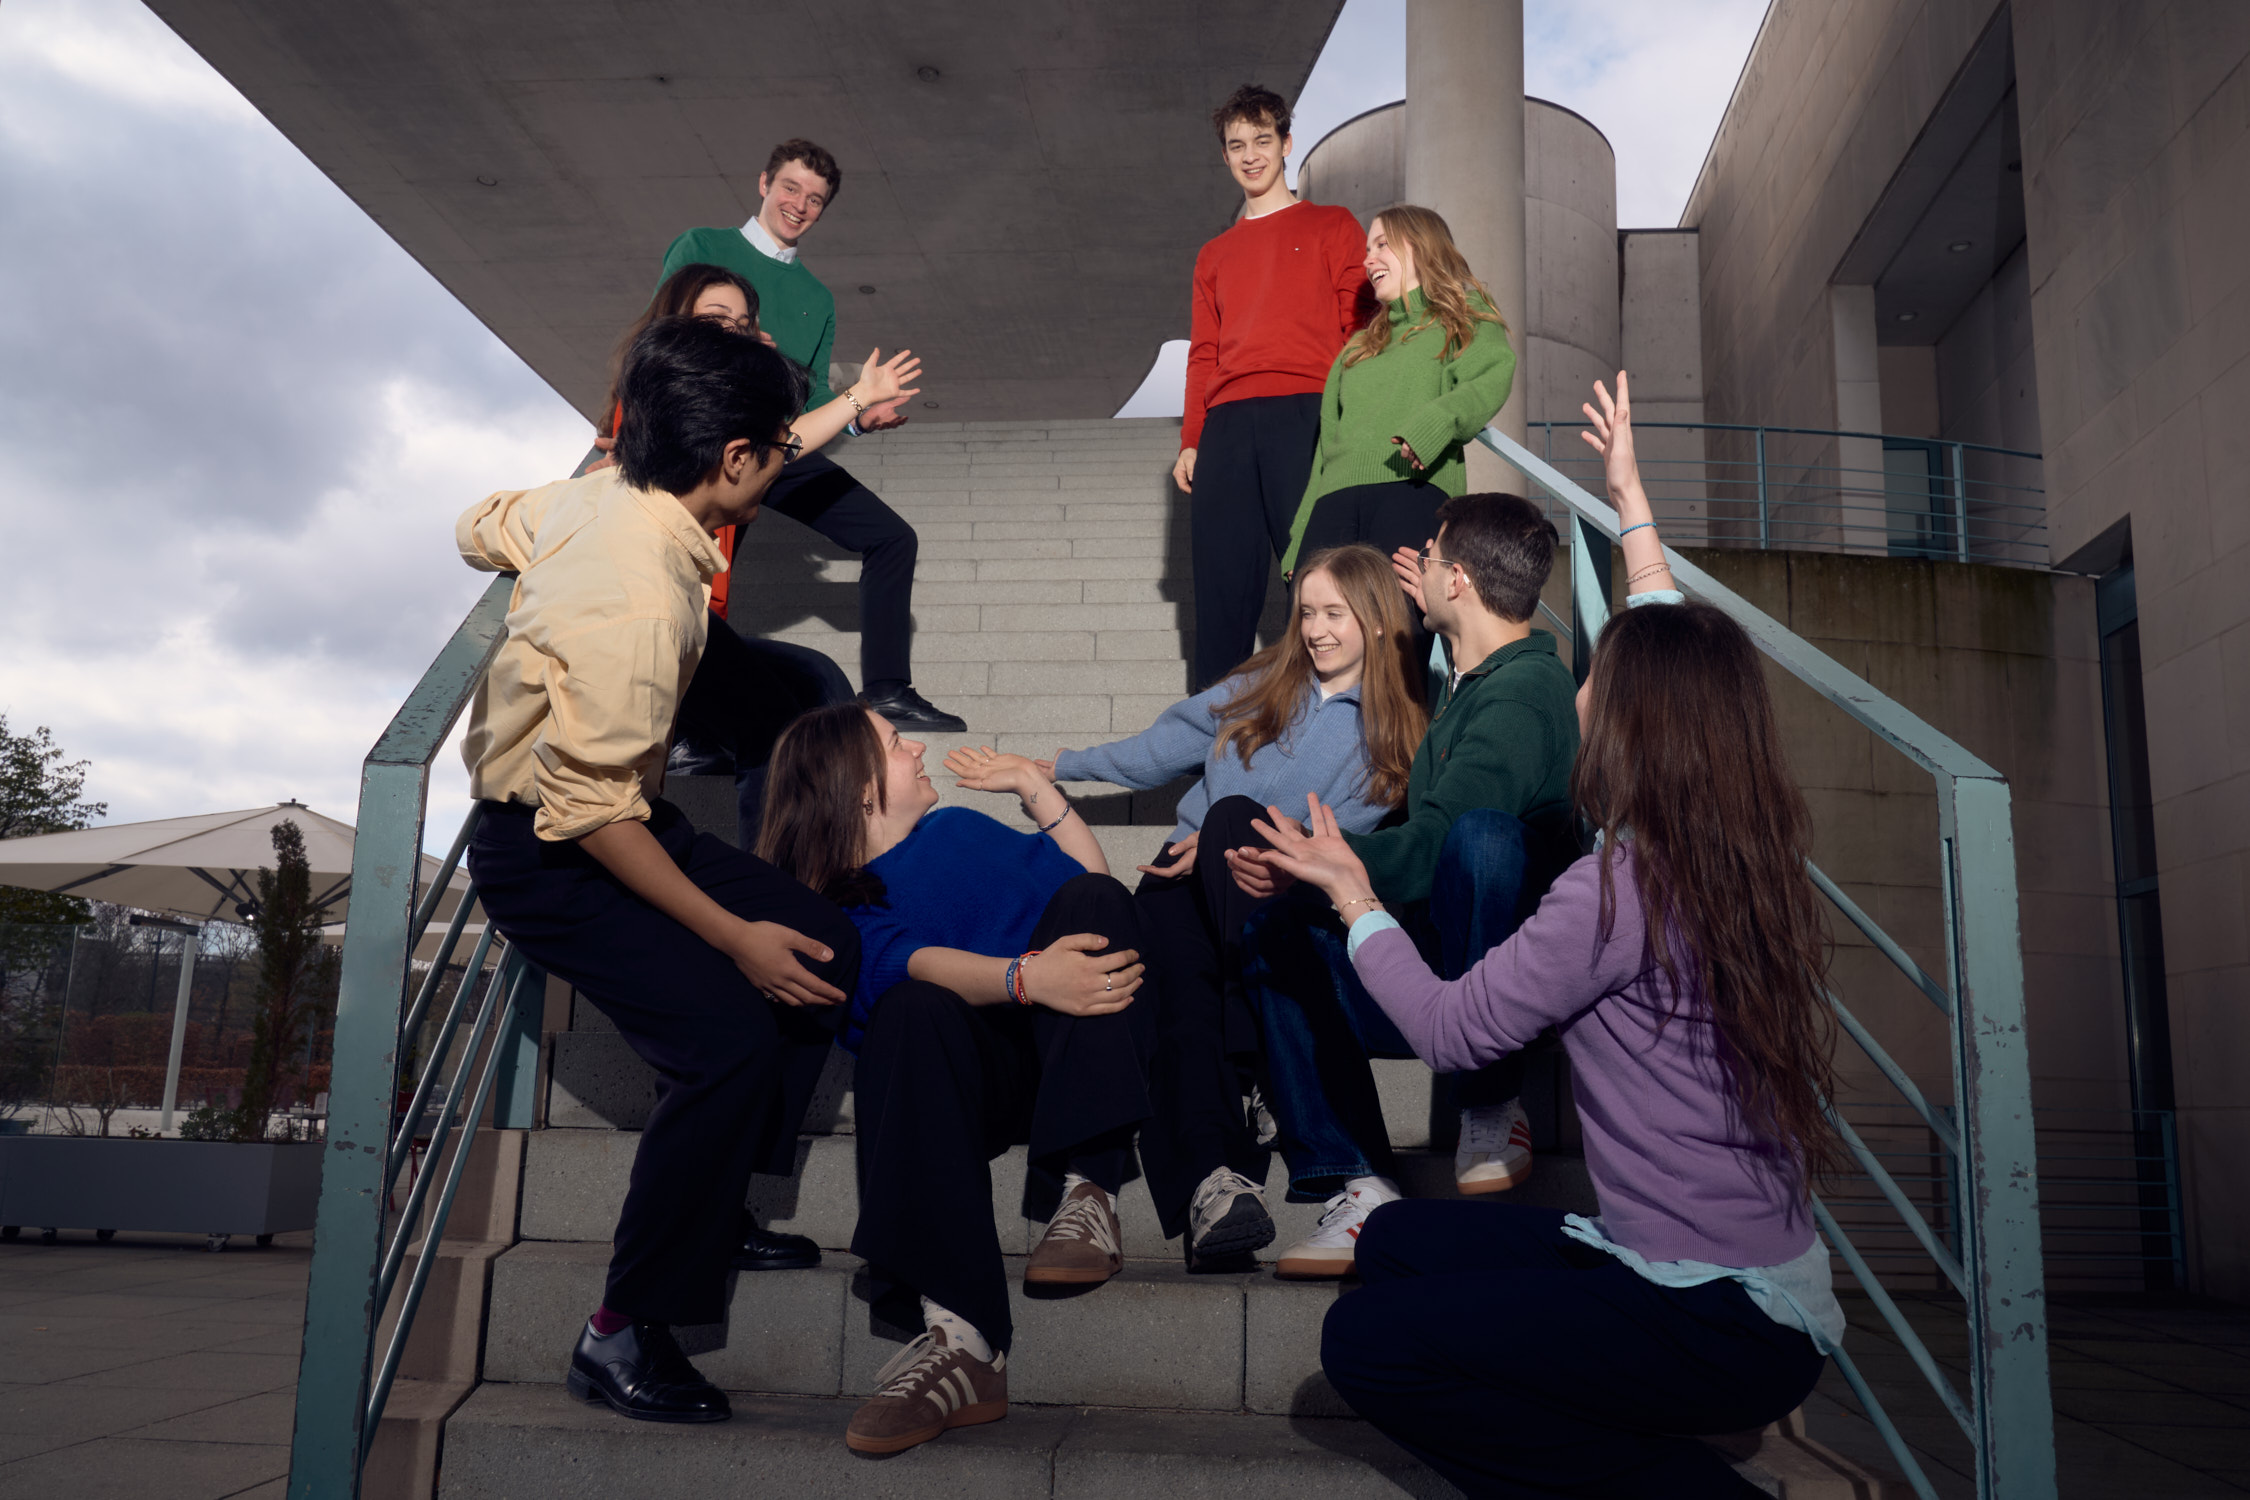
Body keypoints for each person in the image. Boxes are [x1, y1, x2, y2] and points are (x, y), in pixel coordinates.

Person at [1239, 373, 1843, 1497]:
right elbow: (1667, 631)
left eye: (1597, 681)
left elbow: (1452, 1032)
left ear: (1633, 724)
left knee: (1366, 1346)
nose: (1578, 690)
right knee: (1397, 1243)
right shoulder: (1732, 851)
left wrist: (1351, 892)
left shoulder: (1614, 893)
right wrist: (1628, 499)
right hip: (1691, 1270)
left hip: (1715, 1317)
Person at [459, 316, 863, 1424]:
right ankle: (622, 1331)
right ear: (733, 459)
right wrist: (736, 941)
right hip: (550, 854)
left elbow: (478, 521)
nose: (782, 464)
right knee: (728, 1043)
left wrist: (513, 541)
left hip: (615, 816)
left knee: (828, 944)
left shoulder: (596, 500)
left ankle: (715, 1200)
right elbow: (591, 817)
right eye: (778, 449)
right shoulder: (635, 599)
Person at [755, 706, 1160, 1456]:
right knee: (909, 1005)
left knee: (1100, 902)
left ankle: (1089, 1193)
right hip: (962, 1081)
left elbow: (1093, 889)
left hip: (1071, 1054)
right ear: (860, 787)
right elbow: (899, 963)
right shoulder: (832, 905)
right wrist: (1025, 978)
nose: (917, 748)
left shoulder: (959, 830)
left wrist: (1033, 787)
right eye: (893, 743)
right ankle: (962, 1338)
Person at [1040, 544, 1425, 1268]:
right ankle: (1216, 1185)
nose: (1315, 630)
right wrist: (1061, 766)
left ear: (1377, 619)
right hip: (1184, 884)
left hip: (1281, 901)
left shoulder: (1395, 731)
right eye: (1306, 612)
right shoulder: (1264, 681)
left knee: (1231, 821)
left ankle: (1259, 1109)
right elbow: (1162, 746)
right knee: (1177, 988)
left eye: (1334, 613)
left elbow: (1336, 842)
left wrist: (1227, 840)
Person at [1228, 492, 1577, 1274]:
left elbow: (1438, 842)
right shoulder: (1472, 679)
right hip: (1441, 962)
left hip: (1513, 985)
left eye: (1432, 556)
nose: (1416, 565)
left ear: (1458, 580)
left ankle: (1490, 1100)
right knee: (1277, 932)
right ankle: (1359, 1182)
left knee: (1480, 838)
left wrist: (1320, 859)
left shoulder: (1523, 696)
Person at [594, 262, 923, 844]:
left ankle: (808, 846)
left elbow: (783, 446)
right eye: (716, 317)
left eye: (743, 323)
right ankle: (770, 863)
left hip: (699, 618)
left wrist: (855, 402)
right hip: (654, 616)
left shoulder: (727, 415)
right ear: (675, 322)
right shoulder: (661, 401)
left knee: (817, 679)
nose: (732, 329)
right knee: (774, 727)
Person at [659, 138, 966, 732]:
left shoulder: (818, 298)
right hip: (711, 441)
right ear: (764, 184)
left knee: (892, 538)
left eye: (815, 199)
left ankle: (887, 692)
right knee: (699, 584)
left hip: (783, 444)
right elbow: (661, 334)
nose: (799, 205)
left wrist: (857, 417)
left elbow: (815, 392)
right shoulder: (702, 247)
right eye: (791, 188)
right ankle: (688, 728)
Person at [1176, 84, 1375, 691]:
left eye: (1262, 140)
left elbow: (1360, 330)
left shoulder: (1332, 225)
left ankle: (1336, 717)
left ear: (1287, 144)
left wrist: (1351, 420)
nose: (1251, 155)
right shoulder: (1213, 255)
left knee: (1321, 577)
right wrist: (1191, 439)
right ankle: (1214, 730)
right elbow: (1203, 353)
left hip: (1307, 414)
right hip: (1228, 424)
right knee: (1221, 585)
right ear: (1225, 155)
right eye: (1237, 145)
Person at [1278, 205, 1517, 668]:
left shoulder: (1466, 317)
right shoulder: (1356, 348)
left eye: (1382, 244)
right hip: (1332, 503)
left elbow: (1490, 377)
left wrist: (1434, 425)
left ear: (1421, 246)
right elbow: (1325, 452)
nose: (1368, 260)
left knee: (1398, 643)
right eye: (1367, 250)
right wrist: (1298, 539)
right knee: (1313, 651)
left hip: (1413, 488)